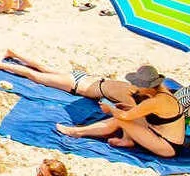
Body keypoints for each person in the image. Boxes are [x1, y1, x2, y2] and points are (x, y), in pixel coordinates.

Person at [56, 65, 188, 158]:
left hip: (167, 146)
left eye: (138, 85)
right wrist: (124, 108)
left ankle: (76, 132)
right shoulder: (163, 94)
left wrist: (110, 109)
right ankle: (127, 140)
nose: (136, 88)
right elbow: (147, 114)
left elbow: (125, 116)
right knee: (126, 112)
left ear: (148, 87)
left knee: (121, 119)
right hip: (162, 135)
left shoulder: (155, 102)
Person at [0, 51, 139, 106]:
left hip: (84, 77)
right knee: (36, 76)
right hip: (75, 85)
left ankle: (14, 54)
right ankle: (0, 65)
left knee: (44, 68)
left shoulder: (129, 86)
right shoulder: (129, 99)